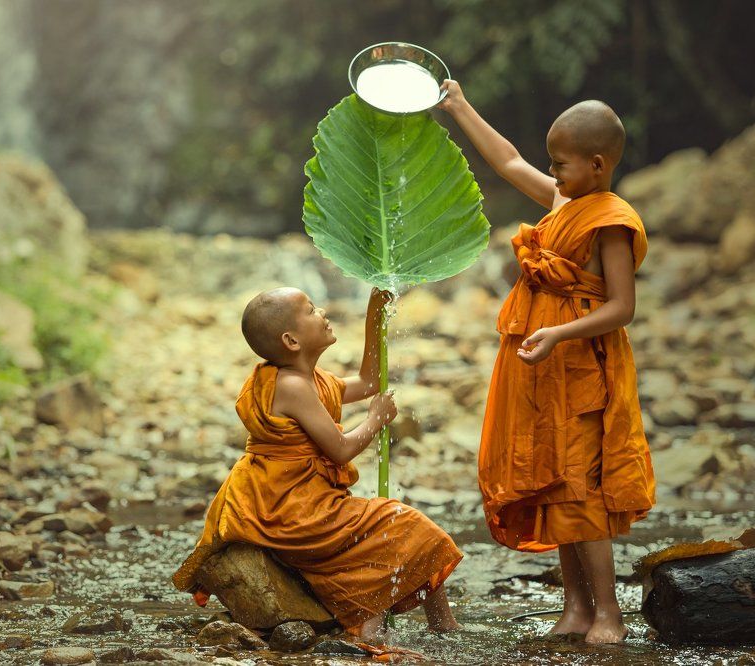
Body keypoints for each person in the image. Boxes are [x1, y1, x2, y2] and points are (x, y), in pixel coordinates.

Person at [439, 81, 655, 644]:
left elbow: (622, 308)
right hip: (546, 371)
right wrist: (460, 105)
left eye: (560, 163)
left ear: (598, 164)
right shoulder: (564, 200)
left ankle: (610, 614)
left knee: (582, 493)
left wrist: (559, 332)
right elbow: (508, 160)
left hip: (584, 370)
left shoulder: (609, 219)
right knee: (556, 485)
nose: (552, 172)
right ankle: (576, 609)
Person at [173, 287, 462, 642]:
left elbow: (370, 381)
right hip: (291, 510)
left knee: (396, 528)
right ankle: (425, 628)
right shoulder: (292, 386)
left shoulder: (313, 378)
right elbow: (340, 450)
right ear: (292, 340)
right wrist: (375, 420)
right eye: (311, 310)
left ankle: (432, 626)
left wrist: (376, 312)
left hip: (306, 499)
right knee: (406, 524)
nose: (322, 311)